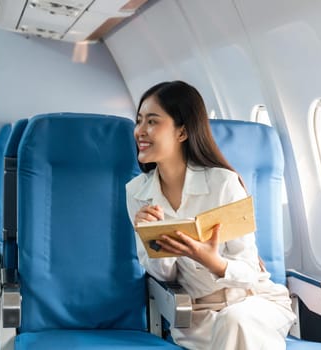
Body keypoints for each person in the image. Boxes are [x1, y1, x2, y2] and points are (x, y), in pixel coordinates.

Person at [125, 80, 296, 349]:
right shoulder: (136, 192)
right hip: (198, 316)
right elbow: (163, 276)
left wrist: (212, 261)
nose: (140, 131)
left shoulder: (223, 183)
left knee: (236, 321)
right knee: (231, 324)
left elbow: (250, 271)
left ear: (182, 132)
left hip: (253, 302)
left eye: (152, 122)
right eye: (139, 121)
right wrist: (154, 240)